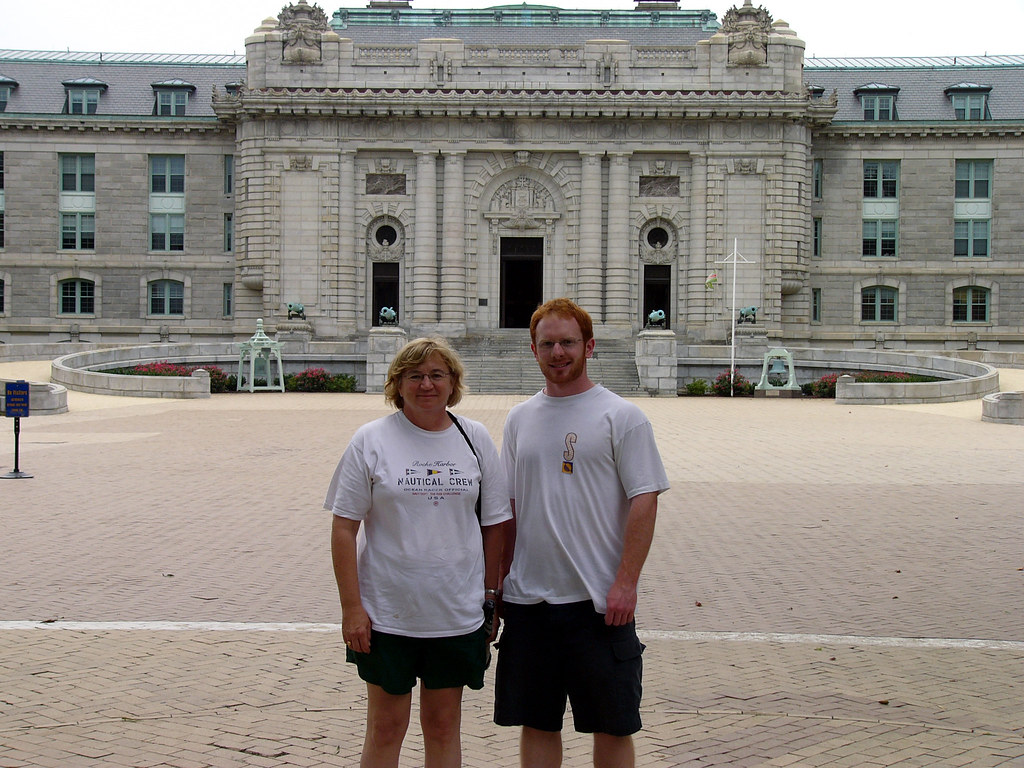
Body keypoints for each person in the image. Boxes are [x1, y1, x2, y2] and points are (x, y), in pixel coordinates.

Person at [494, 299, 670, 768]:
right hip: (529, 602)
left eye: (567, 342)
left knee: (612, 726)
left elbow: (645, 499)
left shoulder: (622, 416)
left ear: (589, 346)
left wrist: (626, 582)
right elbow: (508, 508)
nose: (558, 352)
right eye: (547, 343)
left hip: (598, 603)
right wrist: (499, 585)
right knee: (537, 724)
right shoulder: (518, 419)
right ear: (533, 349)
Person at [325, 337, 511, 768]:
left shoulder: (475, 437)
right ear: (398, 384)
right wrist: (352, 608)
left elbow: (495, 523)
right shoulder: (370, 439)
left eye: (436, 375)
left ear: (452, 383)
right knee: (386, 727)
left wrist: (490, 596)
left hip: (455, 612)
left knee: (444, 727)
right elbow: (343, 528)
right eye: (415, 376)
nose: (426, 384)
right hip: (388, 614)